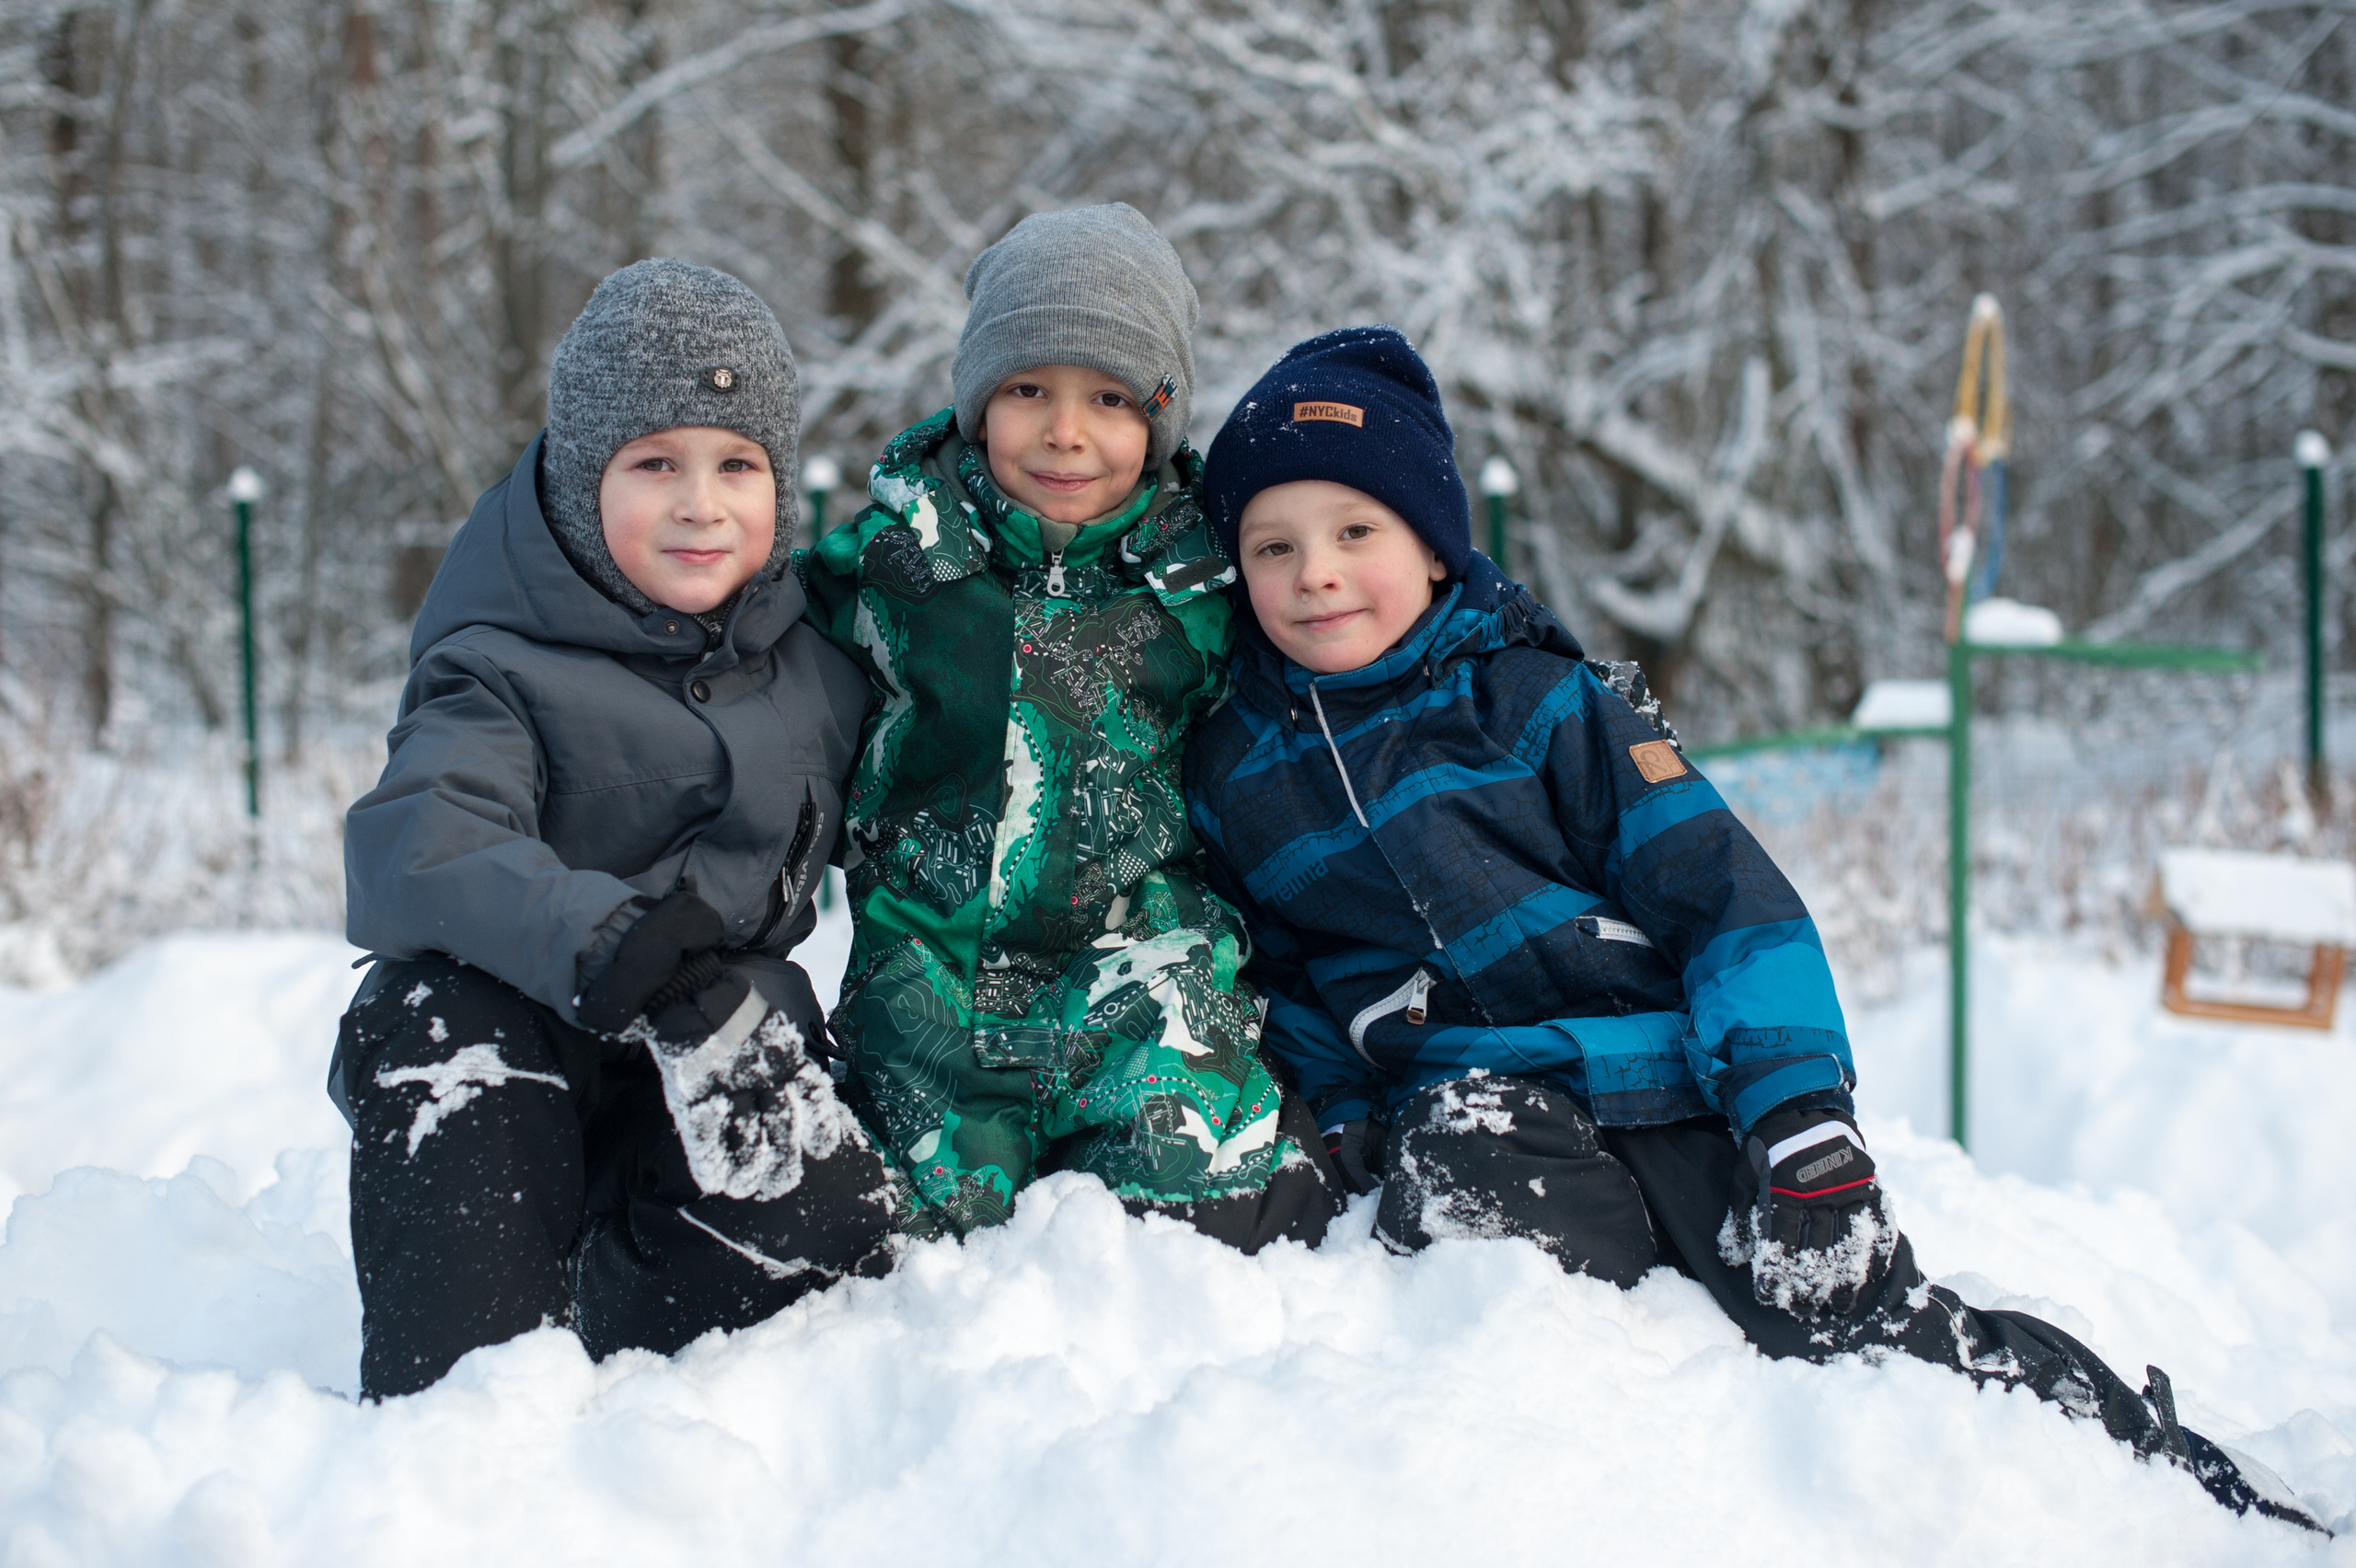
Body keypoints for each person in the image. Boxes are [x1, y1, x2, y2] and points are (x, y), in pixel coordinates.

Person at [1180, 323, 2326, 1531]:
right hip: (1492, 1115)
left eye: (1356, 532)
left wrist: (1798, 1117)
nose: (1316, 572)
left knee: (1845, 1315)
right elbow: (1295, 984)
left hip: (1668, 1089)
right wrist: (1351, 1124)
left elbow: (1728, 900)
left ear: (1431, 541)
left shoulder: (1536, 704)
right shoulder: (1244, 777)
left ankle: (2157, 1463)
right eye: (1274, 545)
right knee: (1463, 1205)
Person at [336, 259, 895, 1401]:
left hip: (708, 1048)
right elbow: (417, 844)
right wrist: (609, 942)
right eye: (655, 465)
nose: (701, 503)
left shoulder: (819, 662)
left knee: (832, 1224)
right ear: (583, 477)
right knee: (432, 1017)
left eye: (737, 465)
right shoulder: (498, 658)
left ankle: (619, 1314)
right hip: (522, 1041)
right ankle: (463, 1406)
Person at [801, 204, 1339, 1251]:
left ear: (1161, 419)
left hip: (1143, 976)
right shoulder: (892, 562)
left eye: (1109, 398)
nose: (1065, 432)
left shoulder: (1207, 586)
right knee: (898, 1252)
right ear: (977, 400)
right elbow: (745, 661)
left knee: (1212, 1232)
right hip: (930, 981)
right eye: (1027, 390)